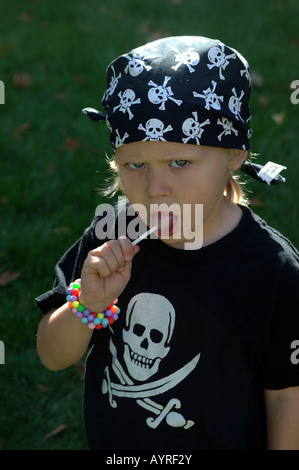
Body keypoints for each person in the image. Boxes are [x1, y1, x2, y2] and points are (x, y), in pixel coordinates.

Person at [36, 36, 299, 450]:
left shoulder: (273, 272)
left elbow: (286, 397)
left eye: (180, 162)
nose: (157, 188)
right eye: (135, 165)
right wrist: (87, 305)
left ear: (234, 153)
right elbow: (53, 356)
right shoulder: (110, 237)